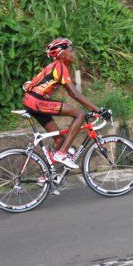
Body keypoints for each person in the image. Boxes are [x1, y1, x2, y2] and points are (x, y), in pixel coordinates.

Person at [22, 38, 110, 169]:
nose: (74, 53)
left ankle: (46, 177)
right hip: (37, 102)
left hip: (31, 101)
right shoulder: (60, 66)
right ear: (62, 54)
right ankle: (62, 153)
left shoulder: (55, 67)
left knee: (59, 139)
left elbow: (29, 85)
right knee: (80, 114)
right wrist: (98, 110)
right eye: (71, 50)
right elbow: (74, 94)